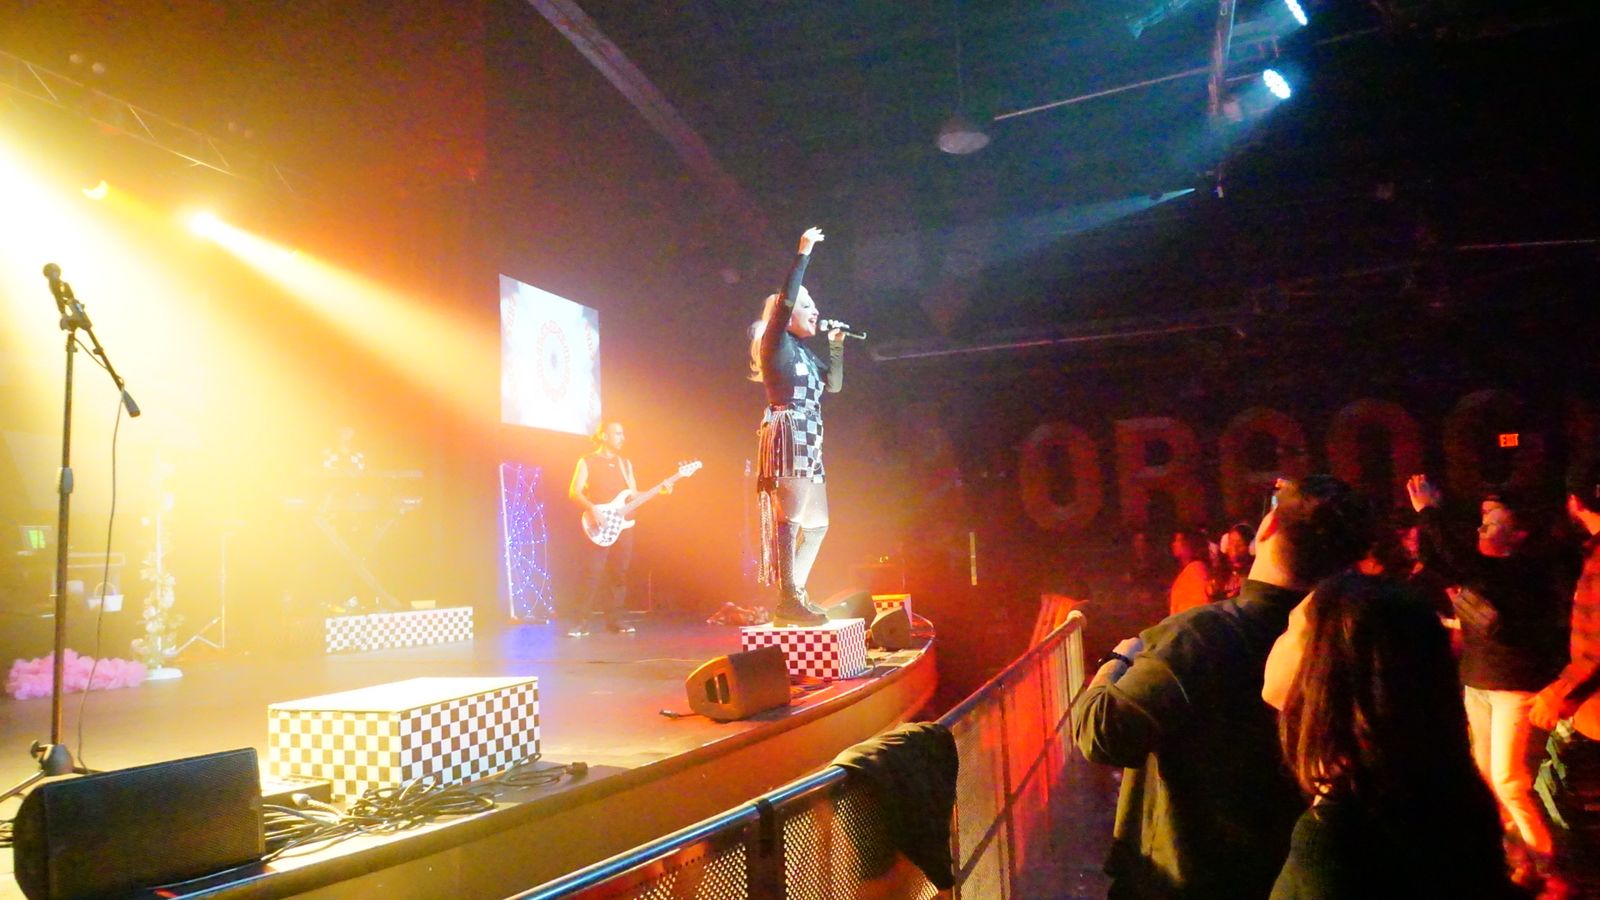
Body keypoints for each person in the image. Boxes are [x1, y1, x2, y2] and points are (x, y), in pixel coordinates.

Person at [1073, 475, 1375, 899]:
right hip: (1285, 876)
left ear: (1267, 528)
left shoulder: (1198, 636)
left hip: (1180, 881)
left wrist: (1117, 662)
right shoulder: (1360, 641)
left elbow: (1102, 735)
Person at [1261, 572, 1518, 898]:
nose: (1275, 642)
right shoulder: (1443, 796)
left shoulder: (1337, 839)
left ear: (1326, 667)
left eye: (1290, 628)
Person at [1406, 474, 1566, 878]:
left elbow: (1459, 559)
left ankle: (1546, 861)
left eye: (1493, 522)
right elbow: (1439, 558)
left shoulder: (1524, 571)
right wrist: (1428, 518)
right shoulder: (1487, 570)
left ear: (1519, 534)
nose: (1481, 529)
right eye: (1481, 521)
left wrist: (1429, 512)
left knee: (1508, 779)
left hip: (1513, 686)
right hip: (1478, 682)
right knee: (1486, 776)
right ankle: (1516, 854)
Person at [749, 226, 847, 626]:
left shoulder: (804, 353)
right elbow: (787, 297)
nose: (815, 311)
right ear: (786, 315)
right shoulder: (776, 343)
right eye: (808, 306)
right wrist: (804, 251)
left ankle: (796, 593)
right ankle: (787, 599)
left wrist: (836, 343)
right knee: (789, 517)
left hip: (811, 435)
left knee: (818, 523)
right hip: (789, 432)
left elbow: (834, 384)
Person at [567, 421, 648, 637]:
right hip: (599, 524)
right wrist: (592, 508)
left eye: (623, 433)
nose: (622, 438)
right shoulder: (587, 461)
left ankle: (615, 621)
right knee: (592, 573)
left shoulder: (625, 464)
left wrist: (661, 490)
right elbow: (574, 491)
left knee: (619, 574)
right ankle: (580, 622)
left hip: (623, 525)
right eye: (618, 433)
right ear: (604, 436)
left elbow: (633, 495)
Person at [1167, 528, 1212, 615]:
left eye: (1179, 540)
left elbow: (1201, 605)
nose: (1174, 544)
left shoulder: (1196, 569)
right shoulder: (1187, 571)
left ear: (1190, 544)